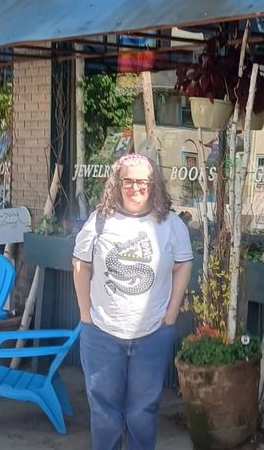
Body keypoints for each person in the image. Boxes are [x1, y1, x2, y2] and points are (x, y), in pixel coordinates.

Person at [73, 153, 193, 450]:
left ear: (154, 185)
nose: (135, 187)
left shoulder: (171, 224)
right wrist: (85, 315)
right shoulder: (99, 220)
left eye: (142, 181)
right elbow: (80, 263)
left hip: (152, 335)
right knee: (103, 413)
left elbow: (183, 265)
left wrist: (171, 316)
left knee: (143, 412)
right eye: (128, 180)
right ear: (117, 183)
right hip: (102, 333)